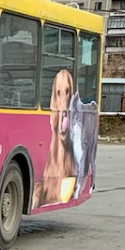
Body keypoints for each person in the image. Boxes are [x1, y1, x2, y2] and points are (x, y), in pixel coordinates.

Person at [33, 69, 77, 207]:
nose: (63, 105)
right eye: (59, 94)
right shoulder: (51, 156)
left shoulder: (73, 160)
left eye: (67, 92)